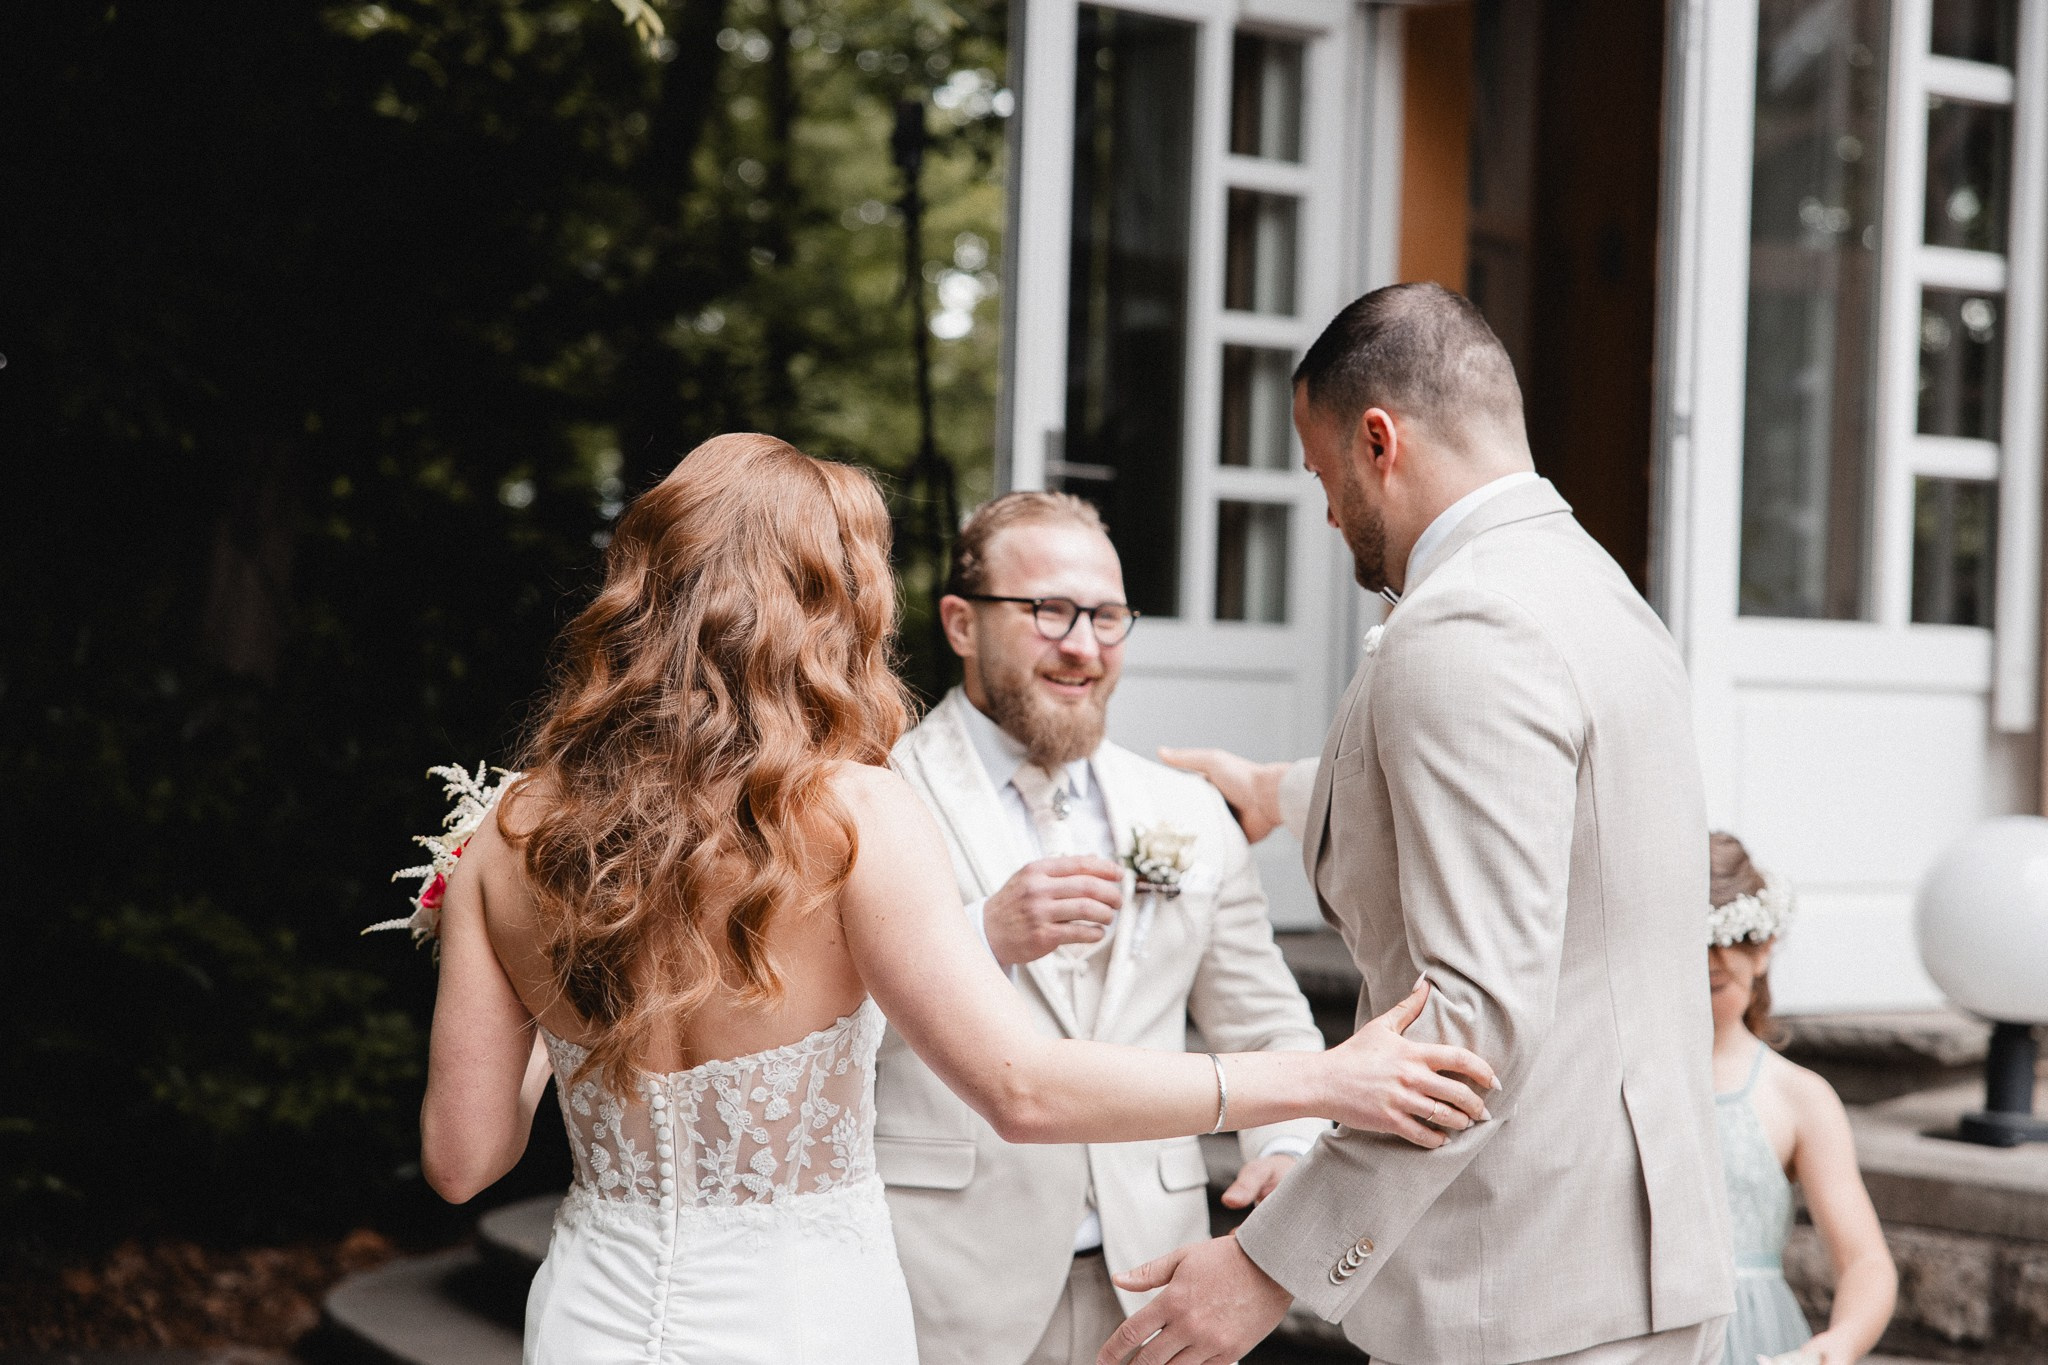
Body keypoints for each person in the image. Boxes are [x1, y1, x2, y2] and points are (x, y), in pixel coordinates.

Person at [416, 433, 1500, 1365]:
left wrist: (554, 1006)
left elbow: (462, 1161)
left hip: (594, 1318)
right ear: (829, 605)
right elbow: (1018, 1088)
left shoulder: (510, 836)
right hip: (805, 1323)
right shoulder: (851, 812)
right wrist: (1322, 1077)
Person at [1106, 283, 1736, 1365]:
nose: (1324, 512)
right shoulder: (1595, 591)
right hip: (1621, 1262)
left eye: (1319, 475)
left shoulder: (1463, 625)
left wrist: (1268, 1264)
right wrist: (1275, 790)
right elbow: (1549, 825)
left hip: (1520, 1284)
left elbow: (1472, 1022)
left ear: (1376, 440)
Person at [878, 491, 1369, 1365]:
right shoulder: (878, 795)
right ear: (961, 624)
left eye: (1107, 616)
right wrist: (979, 936)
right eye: (1049, 612)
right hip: (944, 1286)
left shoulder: (1184, 811)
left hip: (1157, 1285)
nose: (1084, 646)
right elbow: (813, 1031)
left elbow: (1263, 1019)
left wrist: (1289, 1144)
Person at [1704, 833, 1895, 1365]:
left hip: (1756, 1339)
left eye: (1736, 935)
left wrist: (1837, 1345)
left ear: (1765, 945)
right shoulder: (1623, 1079)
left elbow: (1864, 1261)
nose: (1716, 959)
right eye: (1693, 940)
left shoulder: (1797, 1096)